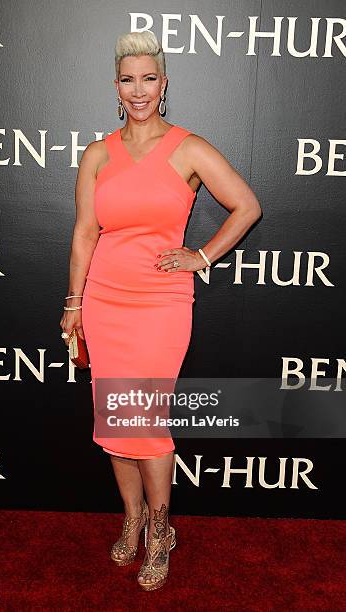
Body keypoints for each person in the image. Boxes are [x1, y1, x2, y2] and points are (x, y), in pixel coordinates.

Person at [60, 31, 262, 591]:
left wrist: (200, 256)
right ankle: (131, 519)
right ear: (117, 88)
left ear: (164, 83)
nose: (140, 89)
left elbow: (247, 206)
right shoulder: (98, 153)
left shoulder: (189, 148)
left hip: (161, 305)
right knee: (116, 423)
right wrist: (74, 302)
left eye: (150, 77)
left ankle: (160, 530)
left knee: (145, 422)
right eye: (129, 79)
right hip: (104, 301)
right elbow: (83, 233)